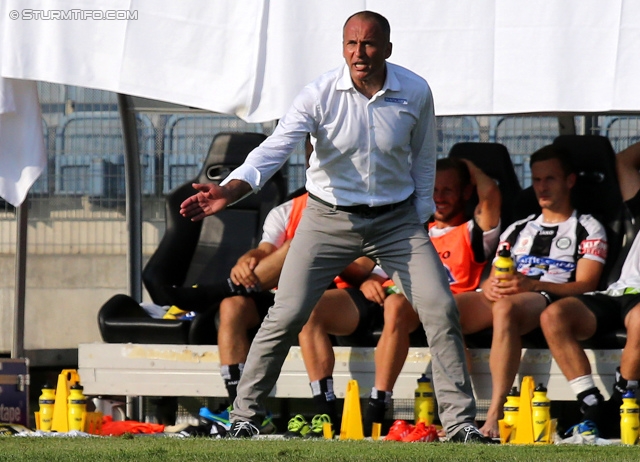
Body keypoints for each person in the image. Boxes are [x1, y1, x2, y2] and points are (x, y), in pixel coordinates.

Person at [181, 11, 491, 443]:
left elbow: (424, 161)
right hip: (327, 218)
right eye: (351, 44)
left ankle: (459, 424)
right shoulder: (318, 94)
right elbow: (276, 148)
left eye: (368, 44)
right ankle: (245, 417)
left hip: (397, 222)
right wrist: (229, 191)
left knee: (440, 308)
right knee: (285, 314)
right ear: (342, 47)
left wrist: (418, 218)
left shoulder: (416, 90)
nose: (359, 53)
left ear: (387, 49)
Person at [294, 156, 501, 437]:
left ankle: (377, 406)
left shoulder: (471, 233)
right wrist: (367, 280)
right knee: (312, 307)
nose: (439, 198)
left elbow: (490, 196)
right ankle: (325, 410)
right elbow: (366, 268)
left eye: (448, 190)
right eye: (434, 190)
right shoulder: (410, 230)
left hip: (430, 307)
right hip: (381, 299)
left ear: (465, 192)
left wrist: (466, 159)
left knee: (396, 303)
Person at [455, 145, 608, 437]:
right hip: (509, 294)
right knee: (445, 310)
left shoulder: (589, 227)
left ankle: (495, 411)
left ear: (570, 181)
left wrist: (533, 285)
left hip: (549, 297)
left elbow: (588, 284)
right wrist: (488, 285)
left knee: (505, 308)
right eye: (536, 180)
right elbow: (493, 272)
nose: (542, 187)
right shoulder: (518, 228)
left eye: (550, 179)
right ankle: (455, 407)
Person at [540, 141, 640, 438]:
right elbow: (624, 160)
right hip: (618, 292)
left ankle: (624, 397)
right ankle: (590, 402)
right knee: (554, 316)